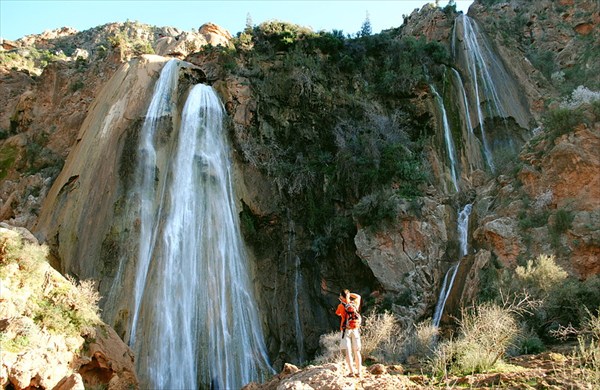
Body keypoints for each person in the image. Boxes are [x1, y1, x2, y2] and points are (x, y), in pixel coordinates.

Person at [335, 289, 362, 378]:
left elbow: (338, 313)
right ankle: (359, 372)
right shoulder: (355, 303)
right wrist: (349, 295)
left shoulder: (341, 306)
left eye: (340, 296)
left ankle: (351, 372)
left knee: (348, 352)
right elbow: (358, 296)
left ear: (342, 297)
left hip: (345, 330)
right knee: (357, 351)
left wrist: (343, 300)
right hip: (355, 329)